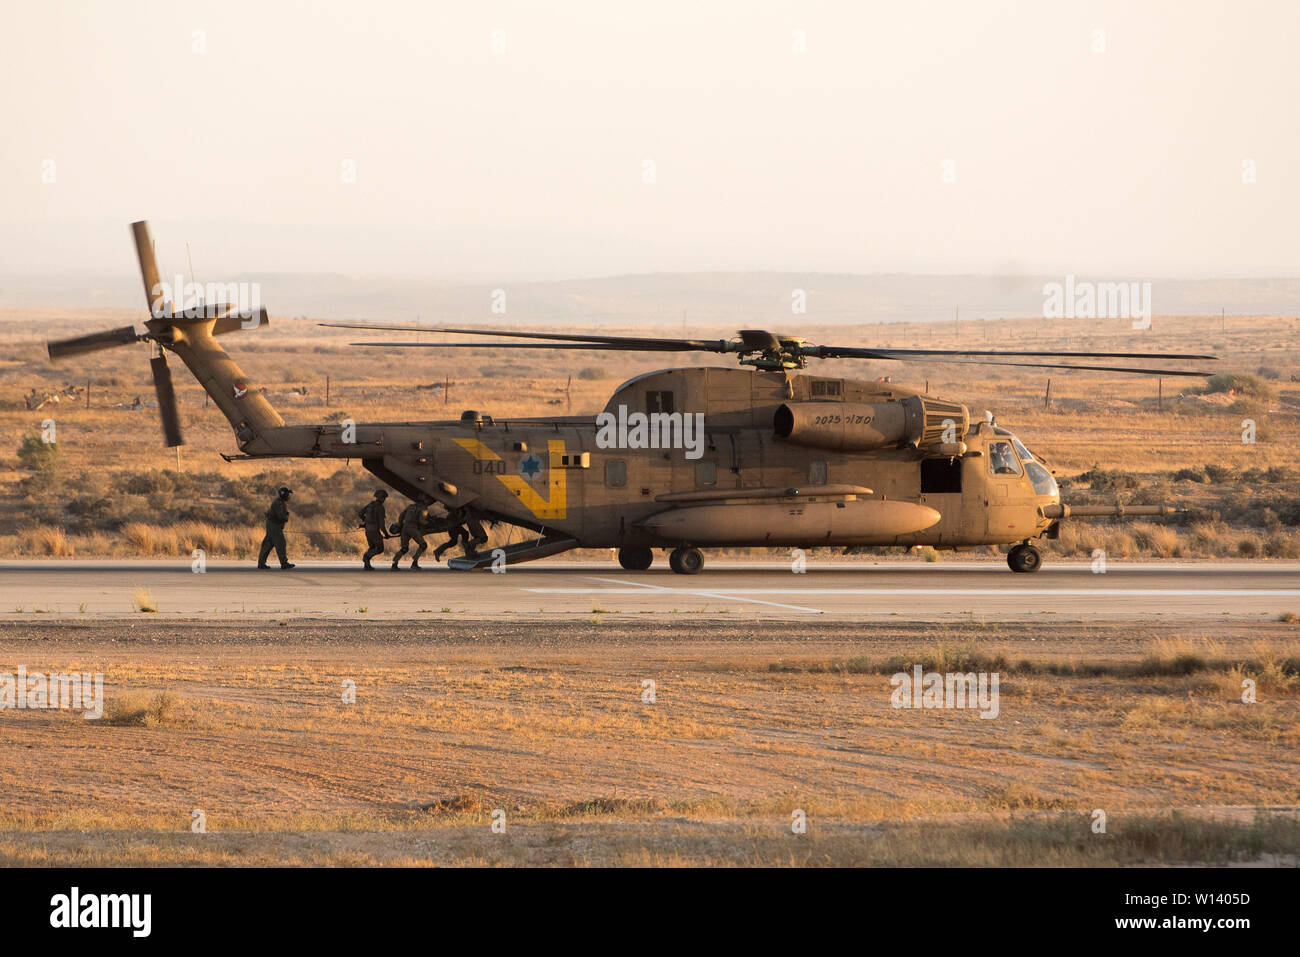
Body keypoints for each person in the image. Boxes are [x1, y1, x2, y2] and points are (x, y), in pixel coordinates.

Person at [257, 486, 296, 569]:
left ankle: (261, 563)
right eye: (288, 494)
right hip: (274, 526)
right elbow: (281, 516)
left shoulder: (279, 502)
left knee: (267, 544)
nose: (289, 496)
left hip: (272, 525)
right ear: (284, 495)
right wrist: (286, 516)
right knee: (280, 543)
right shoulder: (278, 503)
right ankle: (284, 563)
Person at [391, 498, 430, 570]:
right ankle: (414, 562)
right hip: (412, 528)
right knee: (423, 545)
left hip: (404, 528)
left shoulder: (410, 506)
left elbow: (401, 515)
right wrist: (429, 522)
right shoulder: (423, 508)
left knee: (404, 548)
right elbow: (422, 521)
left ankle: (394, 564)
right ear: (424, 501)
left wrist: (400, 524)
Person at [357, 489, 389, 570]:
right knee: (379, 548)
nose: (384, 499)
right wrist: (386, 534)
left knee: (372, 547)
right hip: (375, 531)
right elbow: (382, 524)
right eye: (384, 498)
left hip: (367, 530)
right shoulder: (380, 508)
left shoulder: (370, 504)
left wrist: (366, 521)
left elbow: (360, 513)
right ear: (381, 498)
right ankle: (366, 557)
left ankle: (367, 565)